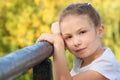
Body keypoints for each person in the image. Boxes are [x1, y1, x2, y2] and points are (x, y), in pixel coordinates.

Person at [36, 2, 120, 80]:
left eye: (82, 32)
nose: (76, 42)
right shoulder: (82, 58)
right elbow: (55, 25)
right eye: (69, 37)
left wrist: (58, 44)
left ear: (99, 31)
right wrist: (58, 35)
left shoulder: (106, 66)